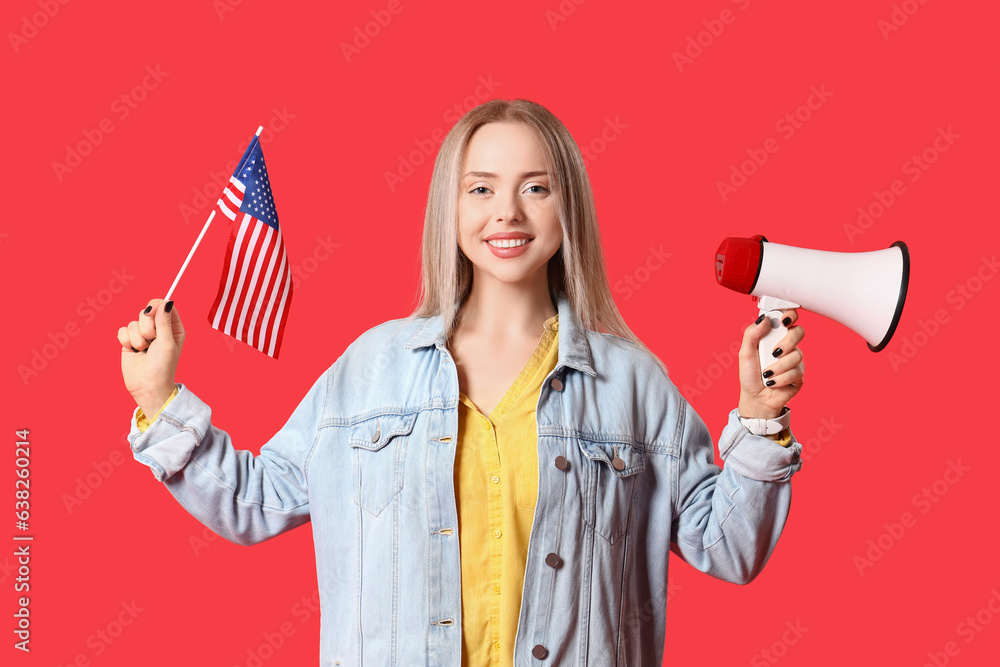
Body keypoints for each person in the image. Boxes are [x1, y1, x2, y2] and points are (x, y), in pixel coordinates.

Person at [118, 98, 805, 666]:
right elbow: (254, 500)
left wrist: (760, 415)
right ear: (449, 207)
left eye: (536, 187)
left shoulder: (632, 382)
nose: (506, 212)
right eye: (480, 188)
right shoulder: (369, 370)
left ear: (569, 209)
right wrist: (159, 400)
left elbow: (730, 548)